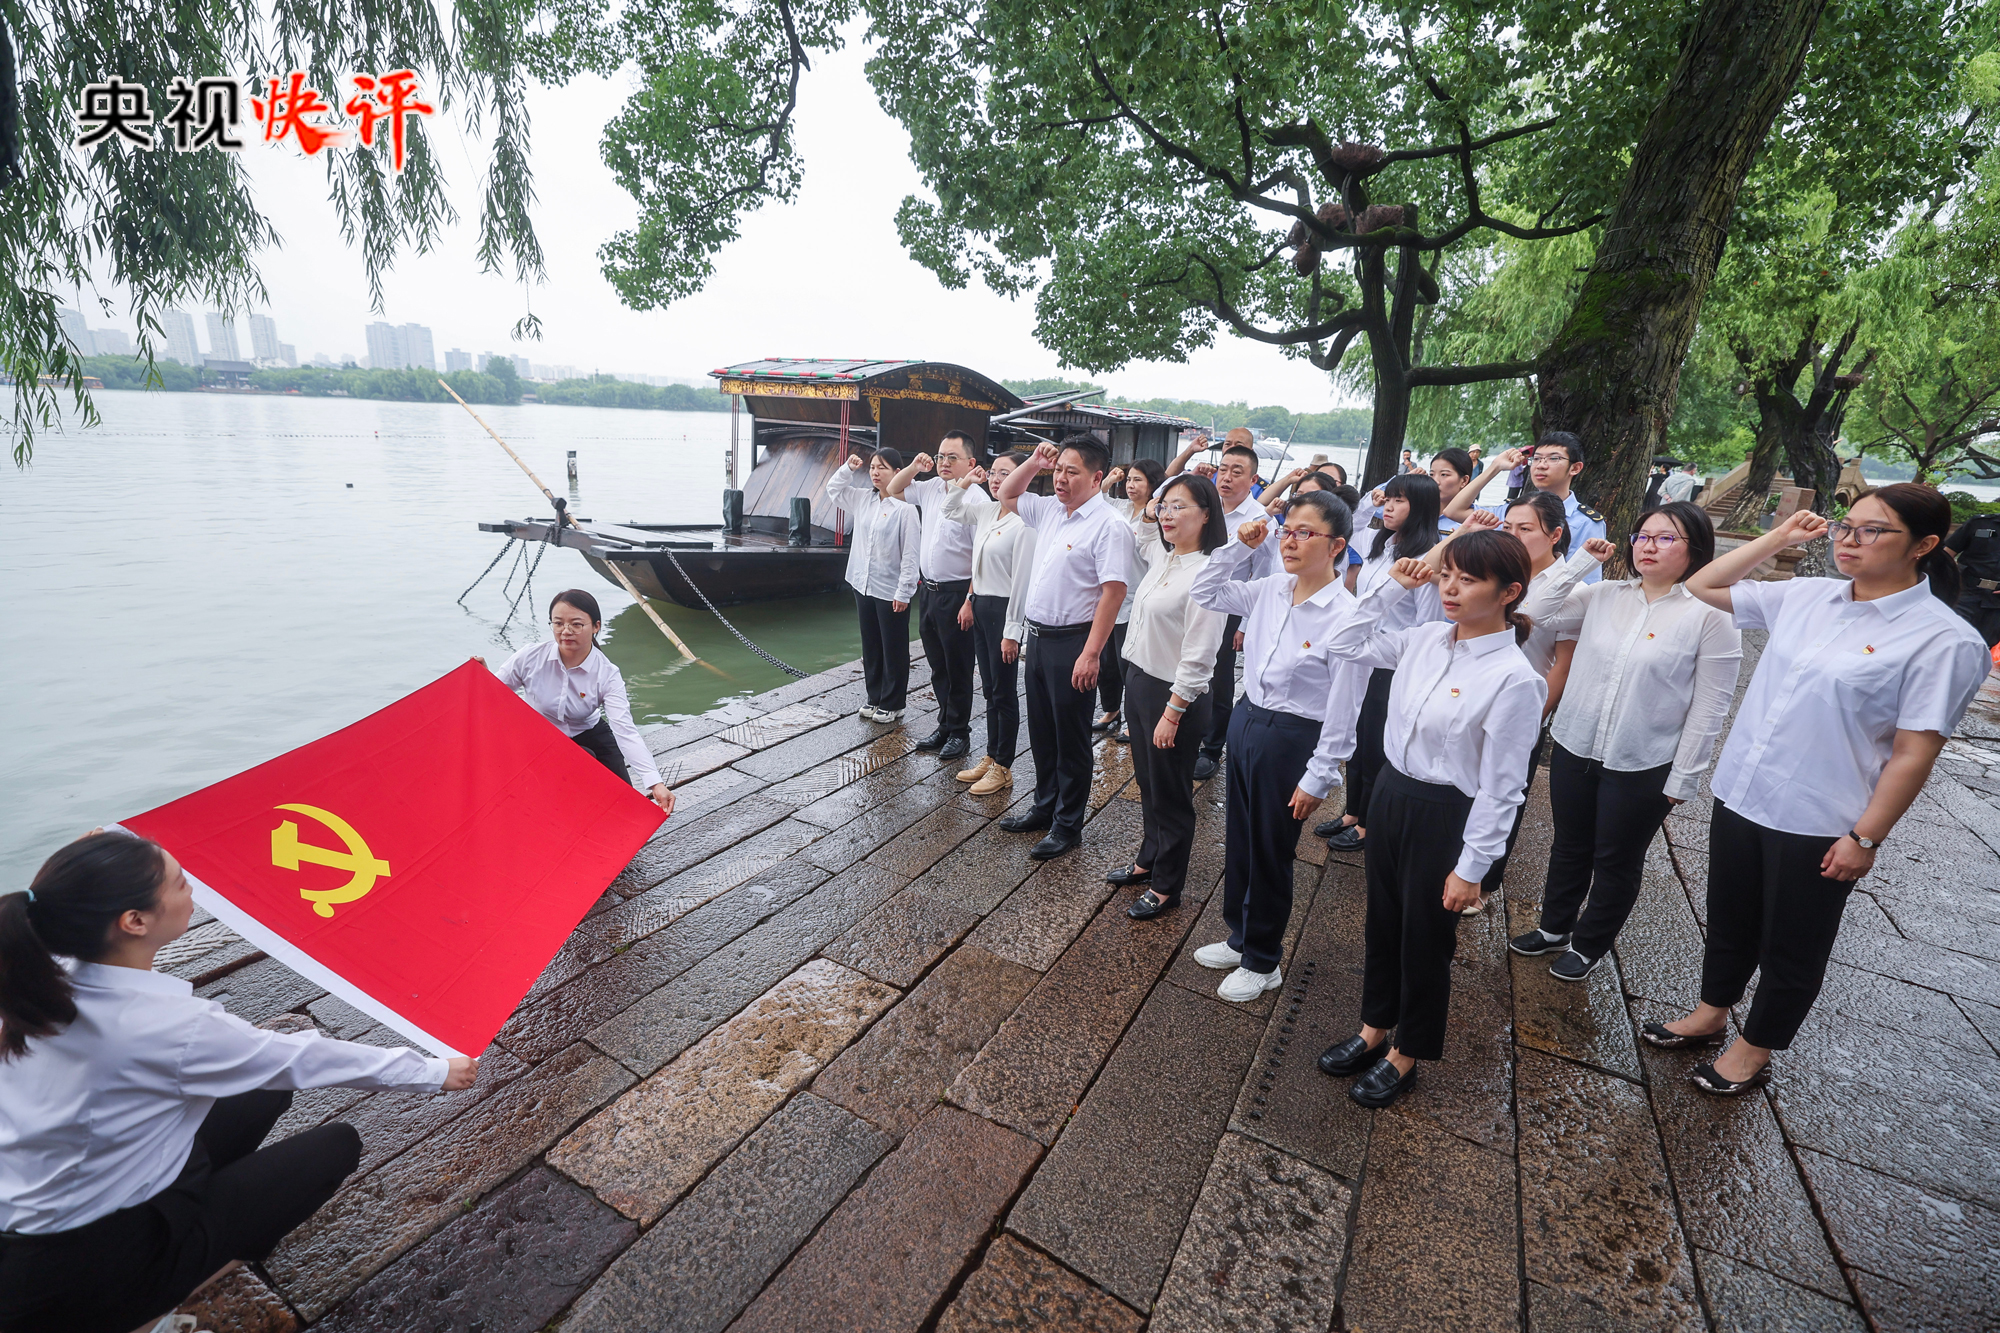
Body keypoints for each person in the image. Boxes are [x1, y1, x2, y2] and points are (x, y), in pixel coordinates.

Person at [0, 832, 479, 1333]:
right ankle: (143, 1314)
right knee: (335, 1147)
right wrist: (433, 1072)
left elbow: (270, 1064)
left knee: (261, 1089)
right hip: (88, 1261)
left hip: (80, 1189)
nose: (191, 889)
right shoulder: (166, 1028)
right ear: (134, 921)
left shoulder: (41, 972)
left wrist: (92, 867)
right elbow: (303, 1058)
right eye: (179, 883)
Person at [1647, 486, 1989, 1094]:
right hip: (1746, 790)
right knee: (1730, 918)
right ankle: (1710, 1012)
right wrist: (1779, 537)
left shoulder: (1944, 640)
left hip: (1820, 815)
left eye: (1872, 530)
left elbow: (1914, 753)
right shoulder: (1808, 596)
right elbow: (1702, 584)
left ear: (1925, 545)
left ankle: (1755, 1049)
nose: (1849, 541)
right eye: (1844, 526)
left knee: (1793, 940)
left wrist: (1866, 838)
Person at [1315, 531, 1545, 1107]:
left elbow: (1503, 788)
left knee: (1425, 937)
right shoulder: (1422, 639)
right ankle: (1373, 1027)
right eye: (1447, 575)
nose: (1450, 588)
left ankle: (1406, 1052)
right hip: (1392, 793)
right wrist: (1392, 588)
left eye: (1468, 580)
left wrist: (1472, 868)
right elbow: (1341, 641)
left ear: (1509, 592)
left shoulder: (1515, 678)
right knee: (1382, 921)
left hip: (1446, 813)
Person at [1509, 502, 1742, 981]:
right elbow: (1529, 611)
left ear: (1696, 548)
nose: (1648, 546)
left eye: (1665, 538)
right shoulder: (1603, 595)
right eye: (1642, 536)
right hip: (1576, 743)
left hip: (1643, 758)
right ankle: (1554, 927)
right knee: (1569, 844)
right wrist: (1582, 562)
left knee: (1616, 858)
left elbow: (1711, 705)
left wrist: (1685, 776)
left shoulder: (1711, 615)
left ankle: (1589, 944)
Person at [1187, 491, 1363, 1002]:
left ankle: (1263, 960)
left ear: (1336, 545)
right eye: (1287, 530)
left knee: (1271, 849)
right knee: (1241, 838)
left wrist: (1320, 774)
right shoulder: (1270, 588)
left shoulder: (1346, 615)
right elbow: (1205, 589)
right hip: (1249, 720)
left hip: (1294, 737)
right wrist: (1239, 547)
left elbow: (1345, 707)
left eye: (1305, 533)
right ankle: (1239, 937)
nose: (1290, 541)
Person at [1458, 492, 1608, 912]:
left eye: (1525, 529)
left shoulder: (1576, 589)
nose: (1514, 535)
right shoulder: (1492, 572)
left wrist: (1532, 719)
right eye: (1508, 527)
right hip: (1471, 699)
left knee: (1502, 797)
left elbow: (1560, 663)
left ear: (1556, 535)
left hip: (1520, 710)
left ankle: (1484, 883)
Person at [992, 436, 1132, 859]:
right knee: (1042, 732)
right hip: (1038, 638)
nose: (1061, 479)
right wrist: (1035, 461)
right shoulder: (1051, 510)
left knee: (1071, 737)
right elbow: (1006, 493)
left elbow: (1113, 592)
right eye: (1059, 470)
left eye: (1073, 472)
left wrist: (1091, 653)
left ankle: (1068, 825)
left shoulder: (1109, 525)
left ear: (1096, 477)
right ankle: (1044, 806)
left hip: (1074, 641)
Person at [1113, 473, 1230, 919]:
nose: (1167, 514)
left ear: (1206, 515)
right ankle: (1149, 858)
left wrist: (1173, 711)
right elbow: (1143, 528)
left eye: (1180, 506)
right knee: (1148, 783)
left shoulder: (1207, 573)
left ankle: (1167, 885)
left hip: (1174, 694)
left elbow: (1200, 656)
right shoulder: (1165, 557)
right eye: (1165, 505)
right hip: (1140, 681)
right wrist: (1154, 505)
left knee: (1172, 792)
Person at [1319, 472, 1444, 853]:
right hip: (1361, 653)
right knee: (1356, 736)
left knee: (1376, 742)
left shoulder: (1424, 560)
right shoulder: (1382, 545)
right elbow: (1347, 528)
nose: (1388, 506)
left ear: (1420, 507)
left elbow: (1428, 624)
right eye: (1388, 498)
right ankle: (1353, 811)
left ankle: (1369, 823)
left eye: (1399, 500)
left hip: (1392, 663)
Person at [483, 590, 676, 815]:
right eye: (558, 623)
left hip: (589, 730)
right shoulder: (530, 657)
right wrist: (482, 675)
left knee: (623, 801)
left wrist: (655, 783)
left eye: (576, 624)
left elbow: (625, 731)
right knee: (583, 766)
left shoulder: (607, 674)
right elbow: (492, 695)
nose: (566, 631)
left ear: (596, 626)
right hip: (540, 735)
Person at [1166, 429, 1277, 782]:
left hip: (1228, 607)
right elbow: (1160, 500)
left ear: (1253, 480)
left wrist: (1244, 623)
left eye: (1237, 472)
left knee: (1219, 676)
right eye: (1223, 469)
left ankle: (1212, 747)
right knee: (1183, 663)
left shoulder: (1260, 519)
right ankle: (1179, 722)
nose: (1226, 477)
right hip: (1191, 596)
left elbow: (1264, 574)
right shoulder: (1207, 505)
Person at [886, 432, 991, 761]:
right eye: (940, 456)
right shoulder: (931, 487)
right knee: (938, 665)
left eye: (952, 457)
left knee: (958, 666)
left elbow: (981, 558)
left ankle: (959, 732)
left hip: (957, 592)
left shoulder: (977, 500)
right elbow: (894, 489)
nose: (944, 463)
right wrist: (915, 468)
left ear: (971, 463)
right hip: (929, 591)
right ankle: (945, 724)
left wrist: (970, 600)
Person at [942, 449, 1039, 795]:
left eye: (1005, 474)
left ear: (1022, 478)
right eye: (994, 473)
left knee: (1004, 690)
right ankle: (991, 755)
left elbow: (1021, 582)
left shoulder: (1025, 521)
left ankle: (1004, 766)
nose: (997, 480)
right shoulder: (986, 510)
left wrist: (1012, 632)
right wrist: (967, 481)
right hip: (981, 604)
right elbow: (949, 509)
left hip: (1003, 609)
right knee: (989, 688)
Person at [826, 449, 923, 723]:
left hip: (891, 588)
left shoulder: (906, 509)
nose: (875, 472)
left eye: (882, 468)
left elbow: (911, 554)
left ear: (897, 472)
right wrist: (848, 468)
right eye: (872, 467)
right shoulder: (862, 499)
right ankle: (874, 696)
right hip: (862, 583)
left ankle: (894, 702)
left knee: (893, 646)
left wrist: (905, 591)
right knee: (870, 644)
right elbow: (833, 490)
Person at [1444, 431, 1608, 583]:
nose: (1541, 465)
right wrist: (1495, 468)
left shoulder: (1586, 522)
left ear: (1575, 468)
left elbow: (1587, 582)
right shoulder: (1512, 511)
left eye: (1553, 458)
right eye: (1536, 459)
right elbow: (1454, 511)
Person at [1094, 459, 1165, 743]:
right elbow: (1096, 497)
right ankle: (1111, 710)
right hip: (1110, 596)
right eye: (1129, 480)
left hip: (1136, 597)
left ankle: (1134, 721)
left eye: (1138, 480)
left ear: (1153, 484)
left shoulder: (1156, 515)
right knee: (1106, 662)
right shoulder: (1120, 508)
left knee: (1129, 666)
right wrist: (1110, 480)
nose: (1131, 486)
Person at [1943, 511, 2000, 648]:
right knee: (1950, 639)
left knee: (1986, 648)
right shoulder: (1979, 523)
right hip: (1965, 594)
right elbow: (1946, 554)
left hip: (1996, 603)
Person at [1428, 448, 1475, 525]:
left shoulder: (1475, 519)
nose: (1435, 481)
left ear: (1464, 480)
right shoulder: (1419, 512)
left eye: (1444, 474)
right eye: (1431, 474)